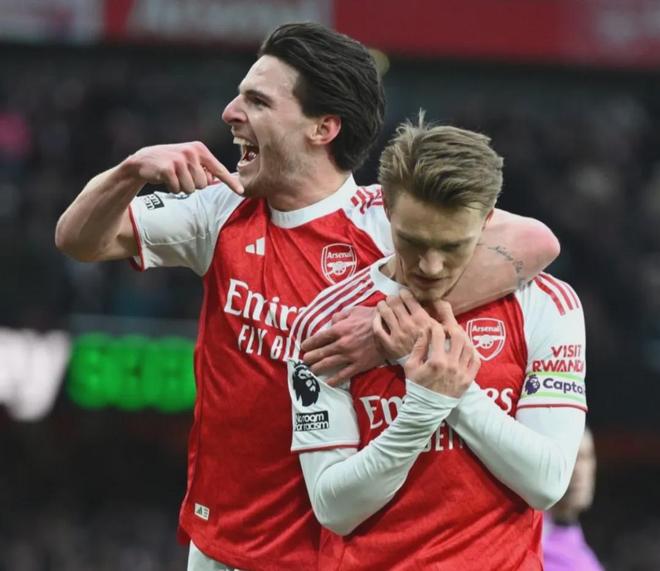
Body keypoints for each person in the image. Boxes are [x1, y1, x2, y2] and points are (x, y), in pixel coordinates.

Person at [55, 23, 559, 571]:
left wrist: (377, 329)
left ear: (323, 128)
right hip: (226, 543)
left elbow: (537, 241)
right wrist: (129, 171)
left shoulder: (389, 223)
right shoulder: (219, 209)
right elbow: (79, 239)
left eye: (257, 101)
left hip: (341, 541)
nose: (230, 112)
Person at [287, 118, 587, 570]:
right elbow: (334, 508)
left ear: (488, 220)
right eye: (412, 242)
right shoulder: (328, 322)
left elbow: (546, 482)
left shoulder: (548, 305)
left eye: (452, 246)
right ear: (386, 208)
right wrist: (423, 409)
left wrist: (455, 393)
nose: (430, 266)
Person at [543, 427, 603, 571]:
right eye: (572, 457)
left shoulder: (586, 559)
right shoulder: (526, 541)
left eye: (587, 457)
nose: (579, 470)